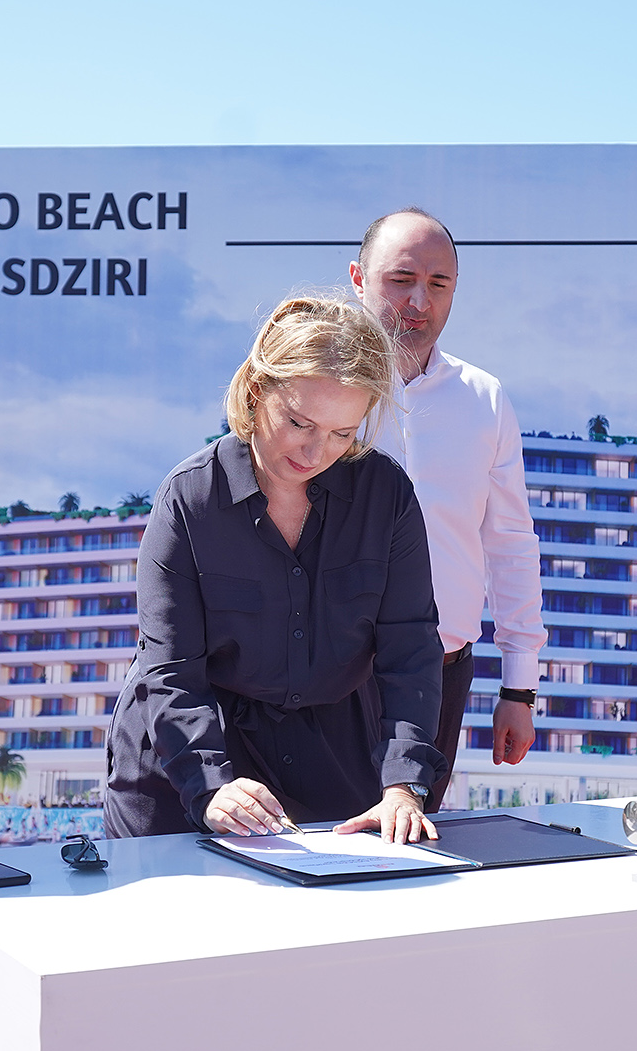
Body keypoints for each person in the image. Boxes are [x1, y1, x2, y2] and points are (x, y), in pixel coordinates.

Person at [104, 295, 445, 842]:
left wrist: (404, 785)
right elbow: (170, 669)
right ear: (256, 391)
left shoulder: (387, 495)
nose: (315, 452)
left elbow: (411, 649)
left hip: (332, 755)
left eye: (342, 433)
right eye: (299, 422)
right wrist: (210, 787)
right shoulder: (189, 499)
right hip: (185, 759)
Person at [349, 208, 546, 812]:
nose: (420, 301)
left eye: (439, 284)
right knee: (318, 847)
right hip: (326, 679)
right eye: (401, 280)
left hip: (442, 673)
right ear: (358, 278)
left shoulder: (484, 398)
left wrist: (519, 688)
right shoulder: (320, 390)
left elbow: (510, 543)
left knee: (413, 847)